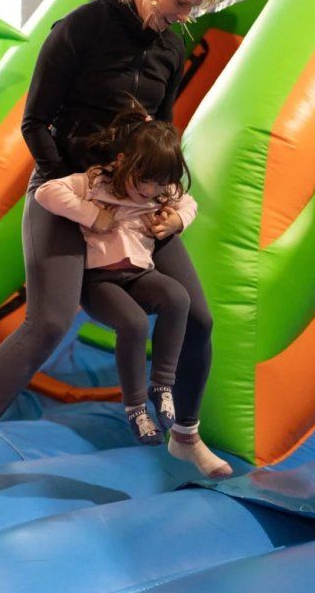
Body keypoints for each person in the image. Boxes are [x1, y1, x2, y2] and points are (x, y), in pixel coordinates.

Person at [0, 0, 233, 508]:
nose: (185, 17)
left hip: (133, 199)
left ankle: (185, 435)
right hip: (68, 190)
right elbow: (35, 122)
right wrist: (82, 201)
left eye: (195, 8)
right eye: (181, 2)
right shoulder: (80, 29)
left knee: (199, 316)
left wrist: (162, 198)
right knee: (48, 322)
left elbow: (161, 131)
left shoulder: (170, 48)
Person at [34, 102, 197, 446]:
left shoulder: (161, 191)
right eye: (143, 180)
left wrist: (176, 221)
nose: (149, 190)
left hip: (137, 275)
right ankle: (135, 407)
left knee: (178, 297)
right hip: (99, 281)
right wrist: (93, 216)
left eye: (158, 183)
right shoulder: (97, 182)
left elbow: (188, 203)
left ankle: (162, 384)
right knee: (134, 324)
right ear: (122, 161)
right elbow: (47, 193)